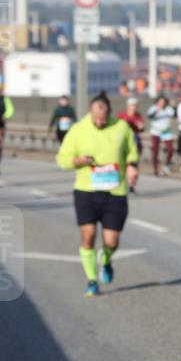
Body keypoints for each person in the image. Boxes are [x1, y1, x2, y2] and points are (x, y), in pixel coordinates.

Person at [55, 91, 140, 297]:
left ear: (109, 114)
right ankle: (92, 280)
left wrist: (131, 166)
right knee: (89, 235)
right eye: (95, 118)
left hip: (115, 192)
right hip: (86, 192)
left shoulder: (121, 127)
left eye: (102, 118)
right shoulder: (78, 130)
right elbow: (62, 159)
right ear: (89, 113)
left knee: (111, 241)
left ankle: (107, 260)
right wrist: (78, 161)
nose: (99, 122)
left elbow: (132, 151)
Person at [146, 95, 176, 176]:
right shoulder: (153, 108)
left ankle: (167, 165)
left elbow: (175, 115)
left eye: (163, 102)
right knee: (155, 150)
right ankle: (155, 169)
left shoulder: (168, 109)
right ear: (157, 101)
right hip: (156, 131)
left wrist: (174, 107)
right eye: (160, 101)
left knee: (171, 149)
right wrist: (157, 111)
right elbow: (149, 116)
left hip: (166, 132)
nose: (162, 103)